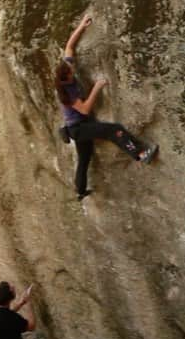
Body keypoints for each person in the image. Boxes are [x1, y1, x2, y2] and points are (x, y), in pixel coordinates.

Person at [55, 12, 158, 200]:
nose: (72, 70)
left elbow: (69, 46)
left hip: (77, 127)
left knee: (84, 159)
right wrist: (97, 87)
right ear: (65, 80)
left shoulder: (65, 69)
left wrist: (81, 26)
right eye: (70, 73)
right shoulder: (67, 93)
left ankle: (80, 191)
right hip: (78, 128)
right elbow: (85, 109)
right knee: (114, 130)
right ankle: (141, 154)